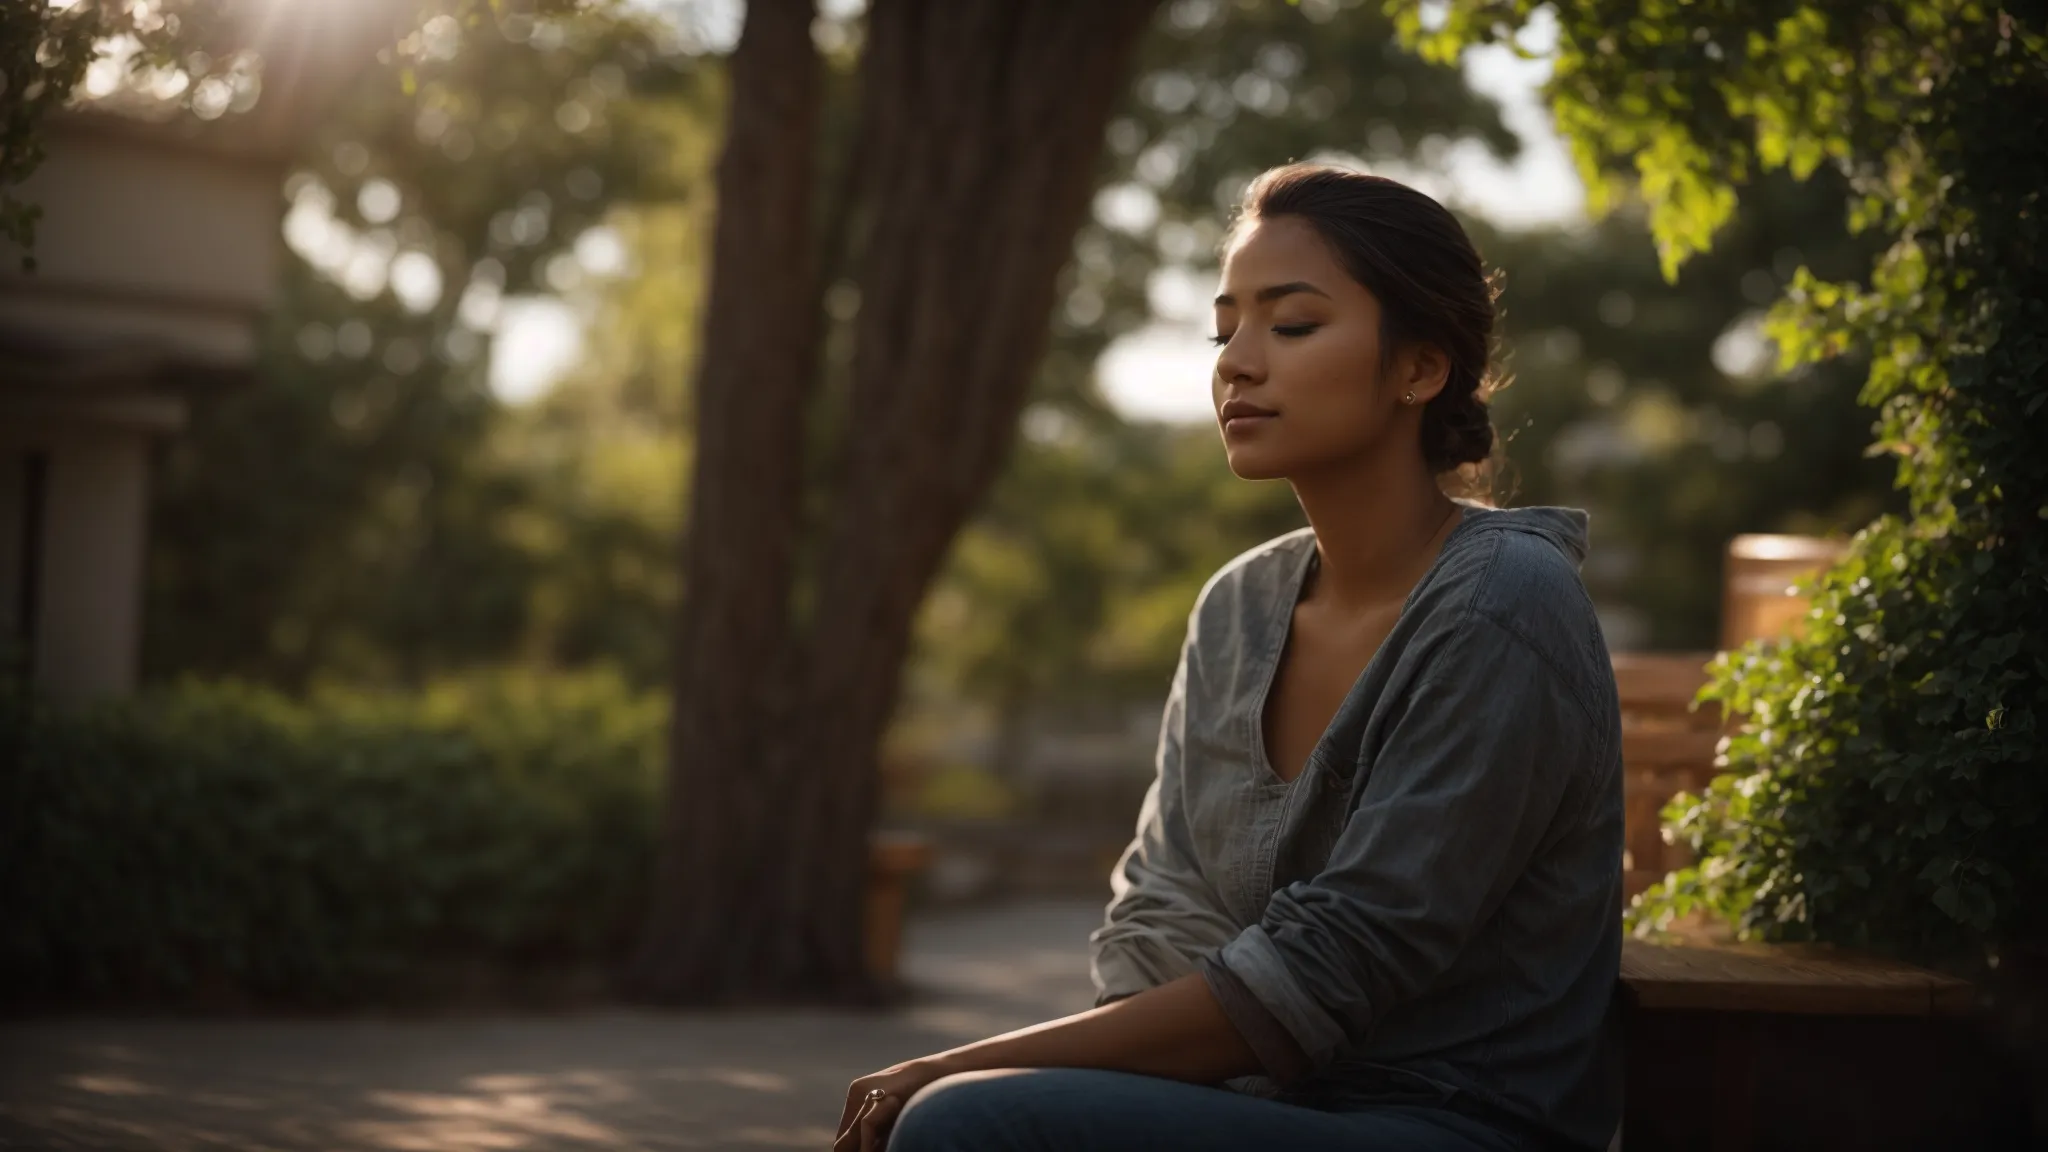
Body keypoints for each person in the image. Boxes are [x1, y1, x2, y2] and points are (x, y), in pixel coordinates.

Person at [833, 162, 1624, 1152]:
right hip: (1261, 1107)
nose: (1236, 363)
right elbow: (1160, 906)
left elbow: (1343, 959)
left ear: (1418, 369)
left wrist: (964, 1059)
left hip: (1450, 1120)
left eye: (1289, 326)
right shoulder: (1238, 606)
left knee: (967, 1120)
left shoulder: (1503, 602)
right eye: (1224, 329)